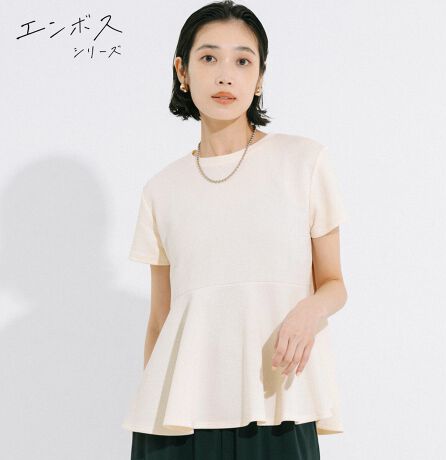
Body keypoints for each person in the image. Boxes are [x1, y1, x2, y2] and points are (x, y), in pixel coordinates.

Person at [122, 1, 349, 459]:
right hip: (180, 421)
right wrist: (153, 412)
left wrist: (308, 313)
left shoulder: (303, 161)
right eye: (209, 58)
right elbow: (160, 319)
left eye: (243, 61)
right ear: (182, 71)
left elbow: (334, 283)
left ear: (260, 77)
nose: (225, 76)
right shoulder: (161, 189)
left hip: (278, 404)